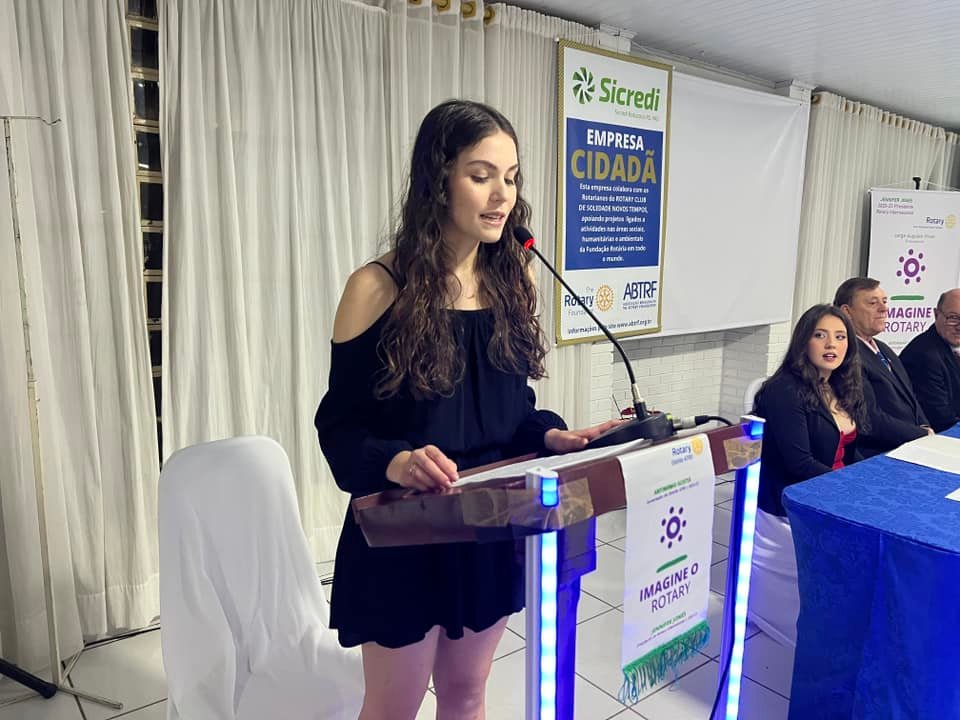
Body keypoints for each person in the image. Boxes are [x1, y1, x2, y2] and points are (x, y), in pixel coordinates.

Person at [314, 99, 619, 720]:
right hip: (404, 529)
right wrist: (397, 461)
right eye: (481, 176)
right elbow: (339, 427)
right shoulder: (376, 288)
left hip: (487, 525)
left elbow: (511, 411)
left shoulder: (511, 283)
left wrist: (550, 436)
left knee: (468, 694)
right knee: (393, 707)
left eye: (511, 177)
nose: (502, 195)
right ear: (438, 180)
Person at [748, 304, 869, 647]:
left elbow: (855, 443)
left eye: (840, 337)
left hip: (833, 487)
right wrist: (853, 491)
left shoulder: (839, 385)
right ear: (804, 341)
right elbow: (799, 464)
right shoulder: (784, 390)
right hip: (797, 499)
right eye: (820, 335)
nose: (832, 344)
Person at [834, 277, 931, 457]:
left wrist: (925, 427)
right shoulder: (847, 354)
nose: (884, 309)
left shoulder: (884, 348)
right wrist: (920, 435)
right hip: (878, 454)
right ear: (847, 311)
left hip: (911, 445)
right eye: (873, 303)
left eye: (884, 302)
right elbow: (869, 418)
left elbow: (911, 398)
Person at [900, 289, 960, 432]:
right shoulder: (924, 356)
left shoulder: (951, 345)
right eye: (953, 318)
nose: (959, 327)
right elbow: (941, 419)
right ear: (936, 314)